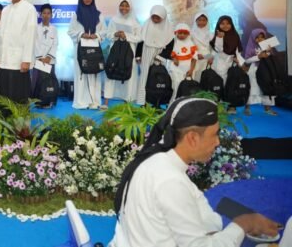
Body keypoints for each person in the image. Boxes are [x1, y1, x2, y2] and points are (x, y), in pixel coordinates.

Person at [111, 97, 281, 247]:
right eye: (214, 135)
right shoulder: (170, 181)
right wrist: (243, 224)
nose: (218, 142)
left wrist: (239, 224)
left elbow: (200, 206)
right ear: (192, 138)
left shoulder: (158, 160)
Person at [0, 0, 37, 102]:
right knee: (4, 97)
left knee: (19, 97)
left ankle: (20, 117)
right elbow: (0, 35)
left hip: (19, 62)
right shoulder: (5, 10)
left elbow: (31, 35)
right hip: (4, 61)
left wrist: (27, 60)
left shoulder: (29, 9)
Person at [68, 0, 106, 110]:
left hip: (94, 49)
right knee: (81, 73)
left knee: (94, 72)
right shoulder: (76, 15)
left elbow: (104, 31)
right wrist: (81, 34)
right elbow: (70, 31)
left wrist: (97, 35)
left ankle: (94, 101)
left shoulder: (99, 15)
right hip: (80, 50)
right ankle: (81, 101)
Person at [104, 0, 141, 107]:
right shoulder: (114, 20)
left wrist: (126, 36)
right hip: (115, 50)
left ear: (130, 7)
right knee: (111, 71)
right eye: (122, 5)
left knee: (129, 72)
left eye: (126, 6)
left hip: (129, 51)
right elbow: (108, 34)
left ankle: (127, 101)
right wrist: (115, 34)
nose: (124, 8)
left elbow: (139, 37)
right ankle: (106, 102)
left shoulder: (135, 22)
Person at [136, 5, 174, 106]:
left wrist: (160, 57)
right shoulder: (146, 25)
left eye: (158, 18)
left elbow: (170, 46)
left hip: (160, 55)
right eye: (154, 17)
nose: (155, 20)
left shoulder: (168, 29)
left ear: (163, 17)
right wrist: (138, 55)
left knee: (158, 78)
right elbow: (141, 40)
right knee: (144, 77)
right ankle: (142, 101)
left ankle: (156, 101)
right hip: (146, 52)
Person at [210, 15, 244, 114]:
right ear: (218, 24)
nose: (225, 26)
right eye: (222, 23)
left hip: (231, 62)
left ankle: (231, 106)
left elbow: (238, 50)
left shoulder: (235, 35)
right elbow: (218, 49)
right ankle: (219, 105)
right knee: (220, 84)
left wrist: (238, 60)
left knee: (232, 84)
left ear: (231, 24)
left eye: (228, 23)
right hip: (219, 63)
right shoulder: (216, 35)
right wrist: (220, 38)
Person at [243, 28, 277, 116]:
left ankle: (267, 108)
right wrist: (258, 57)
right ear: (253, 38)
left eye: (262, 37)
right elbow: (247, 60)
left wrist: (268, 52)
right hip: (254, 71)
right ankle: (247, 108)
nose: (260, 39)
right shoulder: (250, 47)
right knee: (252, 89)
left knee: (266, 88)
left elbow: (270, 59)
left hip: (266, 71)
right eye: (257, 37)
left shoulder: (267, 47)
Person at [33, 4, 59, 108]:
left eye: (48, 13)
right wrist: (40, 57)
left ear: (51, 15)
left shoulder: (54, 29)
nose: (46, 15)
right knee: (38, 81)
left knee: (50, 81)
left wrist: (48, 57)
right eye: (44, 13)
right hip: (38, 61)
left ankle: (50, 100)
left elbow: (55, 44)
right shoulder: (35, 28)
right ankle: (38, 102)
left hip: (50, 61)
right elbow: (34, 43)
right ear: (40, 14)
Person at [169, 23, 198, 102]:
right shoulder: (173, 43)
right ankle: (174, 103)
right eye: (180, 33)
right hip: (176, 69)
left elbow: (194, 58)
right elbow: (169, 53)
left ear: (188, 34)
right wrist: (174, 58)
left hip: (188, 70)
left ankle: (185, 104)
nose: (182, 35)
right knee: (176, 86)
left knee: (187, 88)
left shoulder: (191, 44)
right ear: (176, 33)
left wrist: (191, 70)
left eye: (185, 33)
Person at [190, 12, 212, 81]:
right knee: (195, 77)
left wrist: (207, 57)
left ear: (207, 21)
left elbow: (213, 49)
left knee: (205, 79)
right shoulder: (191, 33)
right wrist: (196, 55)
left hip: (207, 59)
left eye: (204, 20)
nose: (201, 22)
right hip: (195, 59)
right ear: (195, 21)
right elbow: (189, 46)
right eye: (199, 20)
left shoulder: (211, 34)